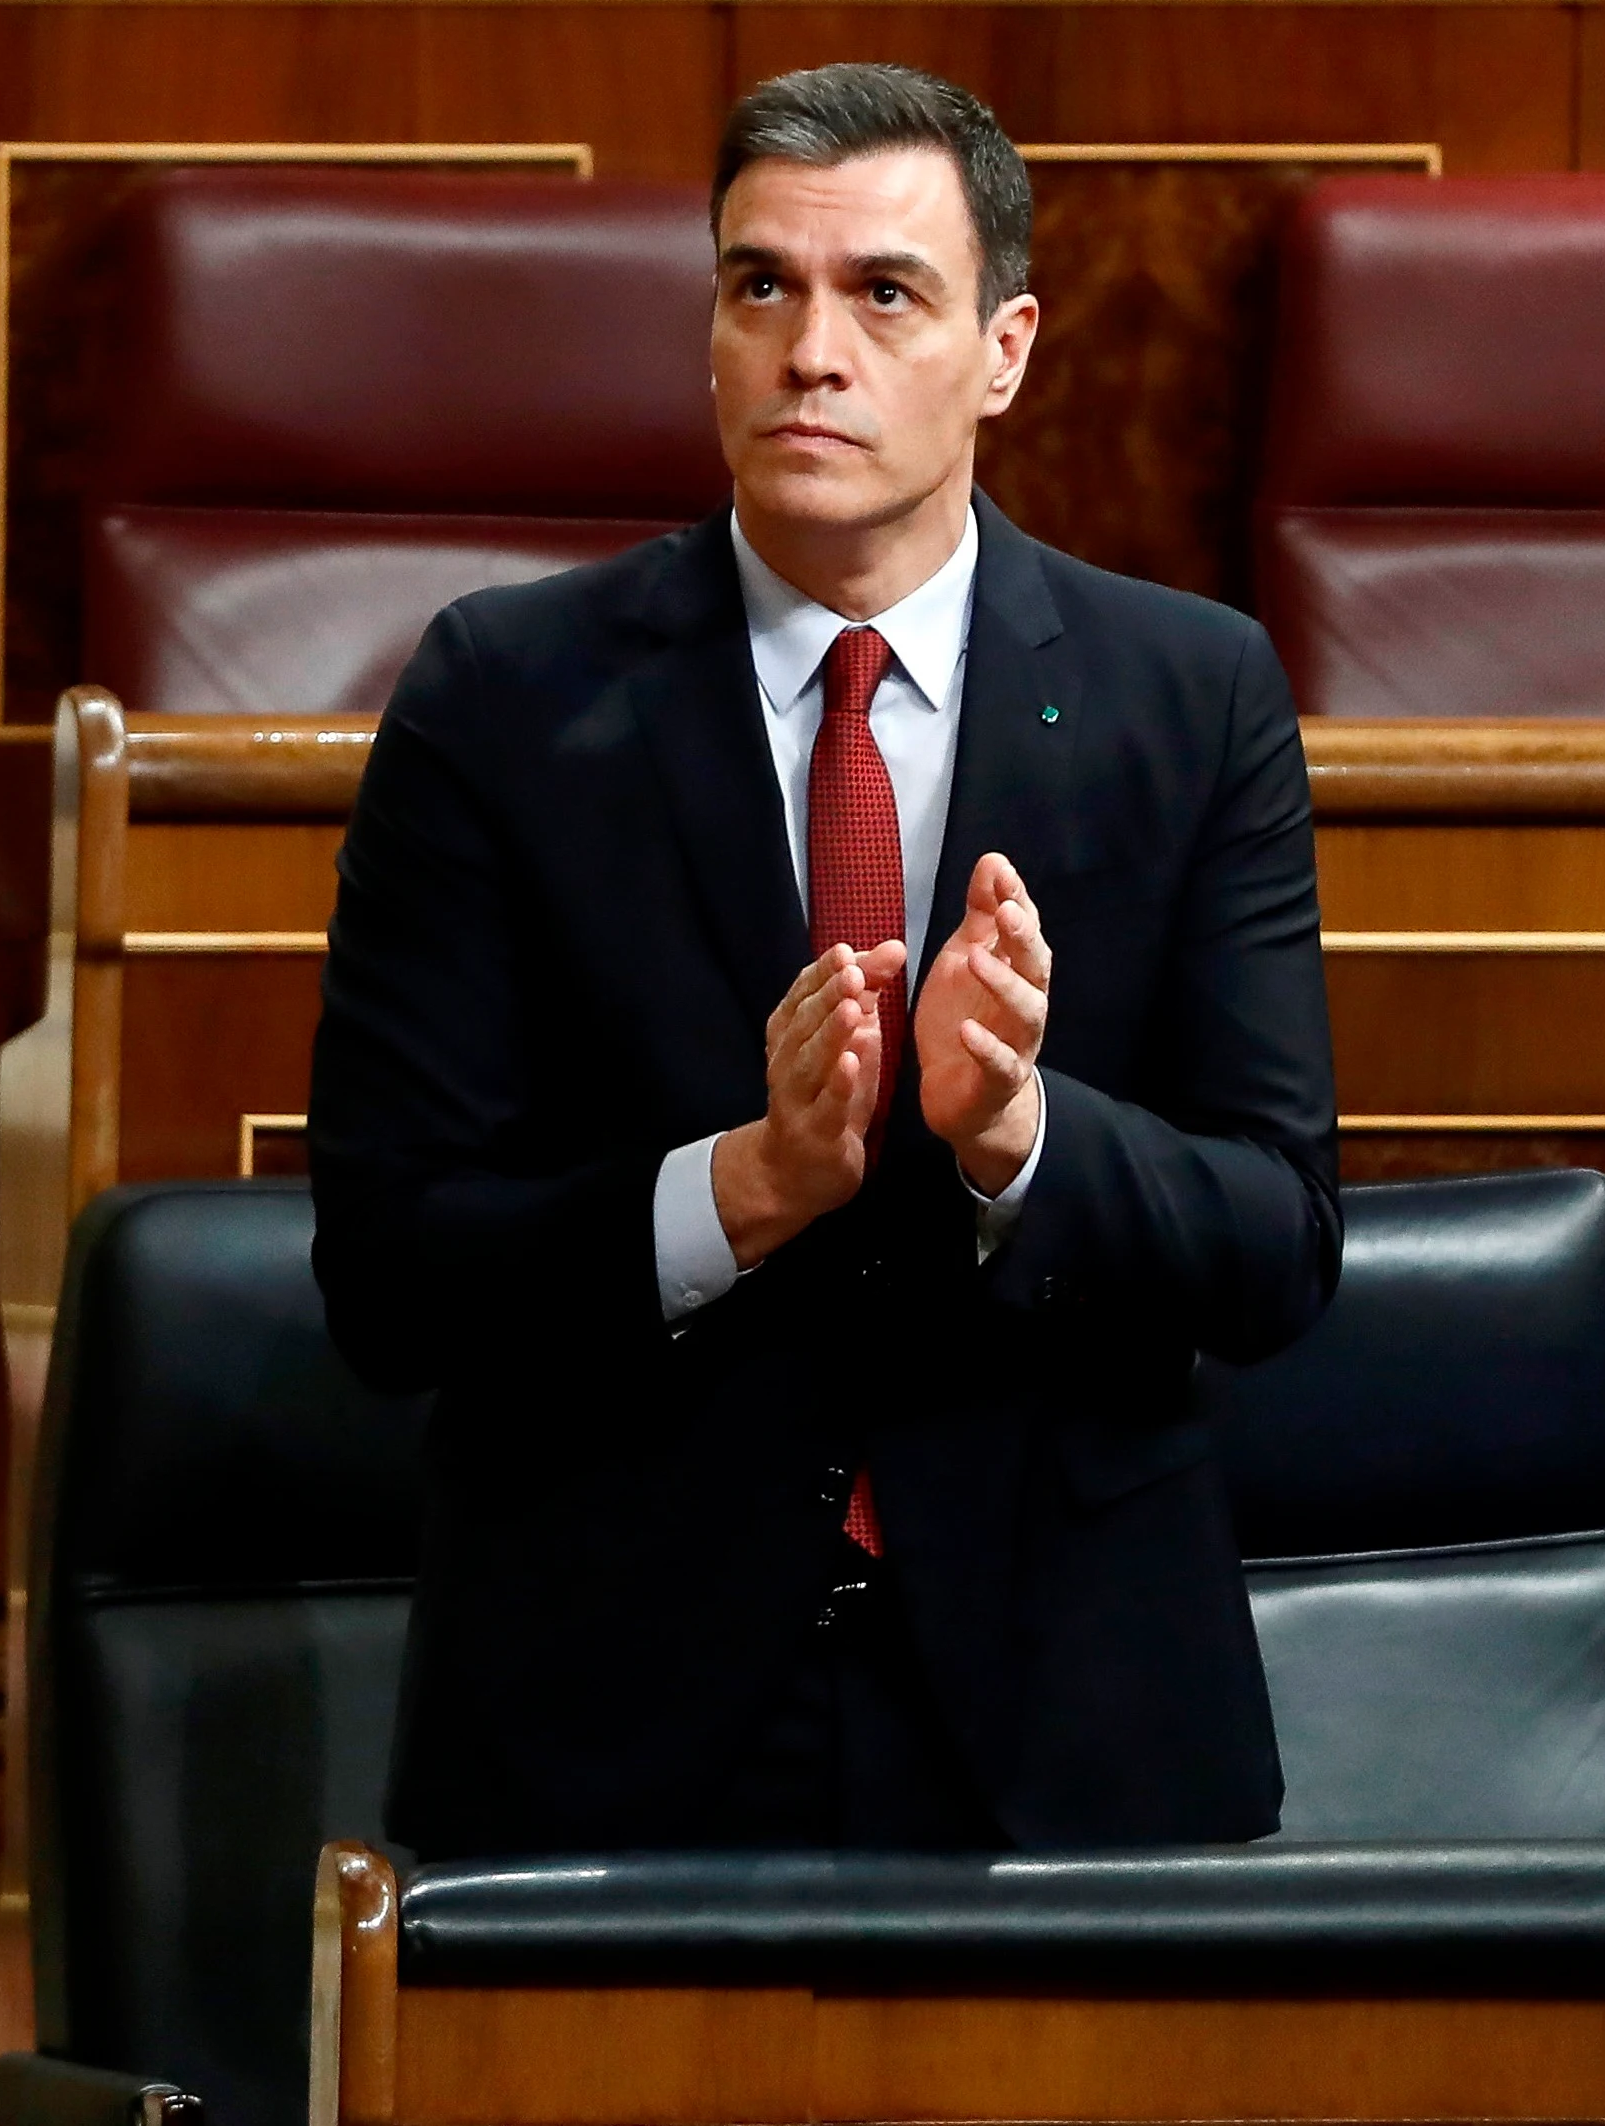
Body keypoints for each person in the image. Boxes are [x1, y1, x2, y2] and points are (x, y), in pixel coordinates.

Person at [307, 61, 1340, 1859]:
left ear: (1001, 350)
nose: (809, 349)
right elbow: (391, 1273)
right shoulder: (499, 699)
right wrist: (745, 1184)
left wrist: (1020, 1135)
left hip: (1067, 1715)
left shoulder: (1192, 696)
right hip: (604, 1713)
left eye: (884, 292)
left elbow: (1275, 1241)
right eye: (757, 285)